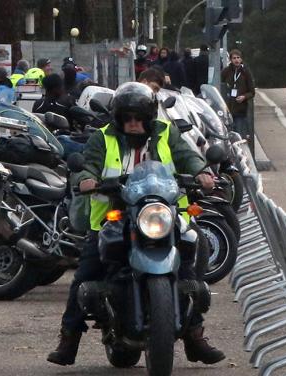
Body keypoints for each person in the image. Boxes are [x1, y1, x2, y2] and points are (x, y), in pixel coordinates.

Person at [47, 82, 225, 367]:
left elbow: (186, 155)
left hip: (163, 212)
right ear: (118, 118)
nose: (133, 123)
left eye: (138, 117)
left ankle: (195, 334)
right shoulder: (102, 138)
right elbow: (89, 164)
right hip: (113, 214)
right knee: (85, 273)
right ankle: (69, 338)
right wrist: (86, 179)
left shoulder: (166, 133)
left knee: (189, 267)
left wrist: (202, 171)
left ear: (148, 117)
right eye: (127, 118)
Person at [221, 49, 255, 139]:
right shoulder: (226, 71)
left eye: (238, 58)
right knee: (229, 134)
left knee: (239, 134)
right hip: (228, 108)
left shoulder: (246, 72)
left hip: (240, 108)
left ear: (241, 59)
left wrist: (244, 97)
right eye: (234, 58)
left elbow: (252, 92)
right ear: (231, 60)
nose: (236, 60)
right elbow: (220, 85)